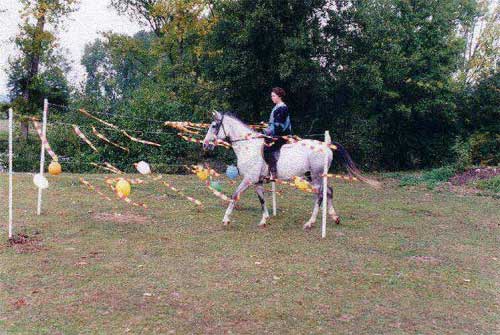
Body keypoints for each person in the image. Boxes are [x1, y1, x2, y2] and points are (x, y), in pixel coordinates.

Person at [263, 87, 292, 179]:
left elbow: (279, 126)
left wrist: (267, 131)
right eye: (272, 96)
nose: (272, 98)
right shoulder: (276, 107)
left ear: (279, 96)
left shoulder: (282, 108)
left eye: (273, 96)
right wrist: (265, 127)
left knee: (267, 149)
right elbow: (273, 124)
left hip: (282, 135)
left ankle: (273, 171)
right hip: (275, 134)